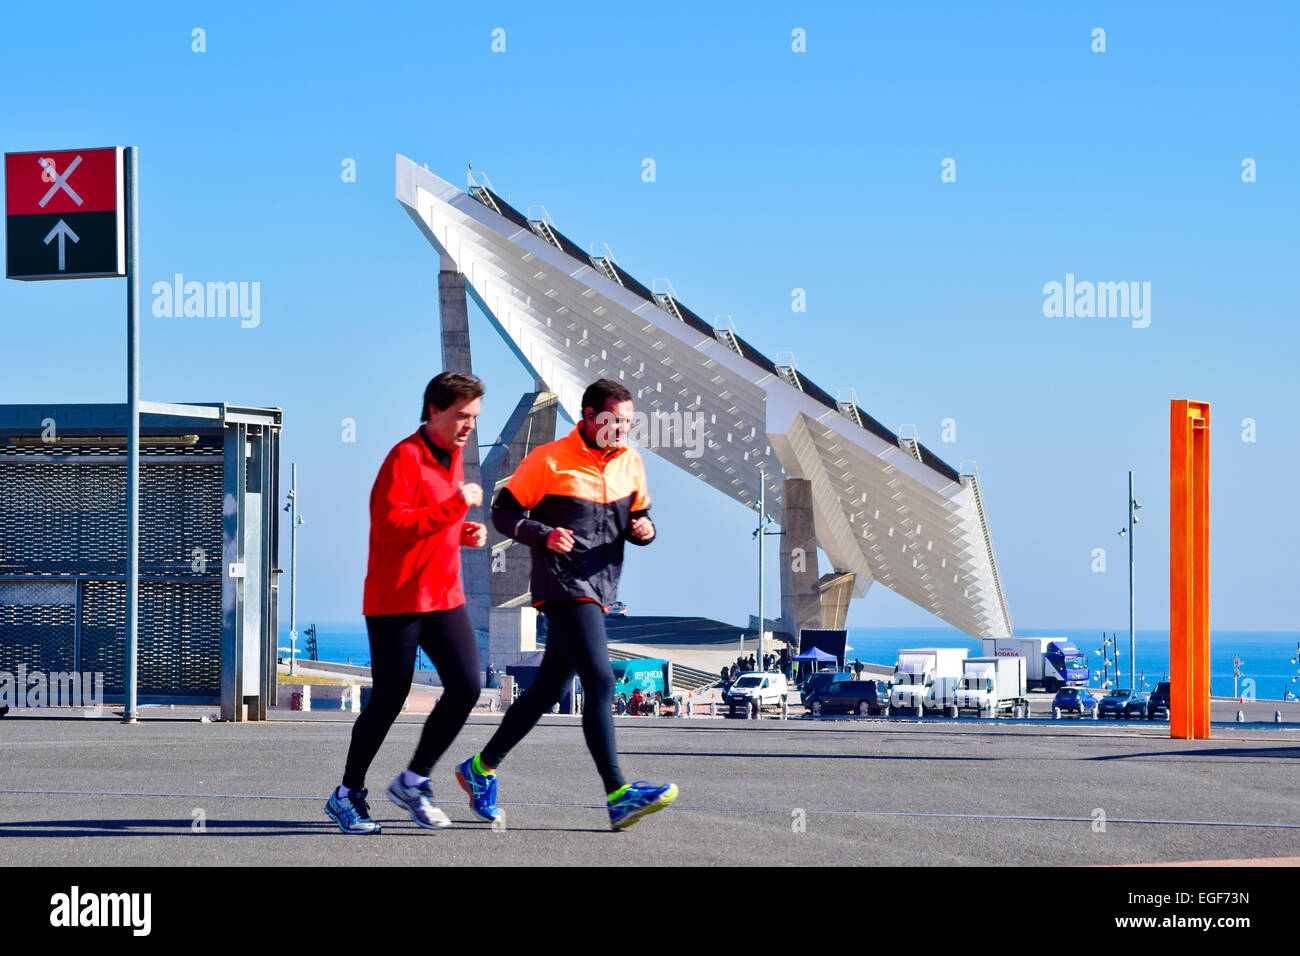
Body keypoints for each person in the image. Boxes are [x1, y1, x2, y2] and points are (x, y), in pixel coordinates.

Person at [455, 378, 678, 831]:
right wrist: (543, 533)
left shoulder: (631, 463)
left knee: (548, 690)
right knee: (599, 679)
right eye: (615, 421)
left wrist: (646, 529)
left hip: (601, 587)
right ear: (590, 418)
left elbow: (639, 514)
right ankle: (618, 794)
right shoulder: (549, 460)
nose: (623, 430)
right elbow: (503, 512)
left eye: (628, 423)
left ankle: (480, 768)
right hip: (562, 584)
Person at [323, 372, 489, 835]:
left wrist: (462, 533)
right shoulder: (404, 458)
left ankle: (414, 780)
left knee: (467, 686)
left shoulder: (453, 458)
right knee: (390, 697)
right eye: (461, 415)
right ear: (434, 411)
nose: (469, 425)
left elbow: (432, 524)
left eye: (474, 417)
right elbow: (391, 526)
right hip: (396, 597)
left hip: (442, 595)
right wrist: (455, 509)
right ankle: (347, 794)